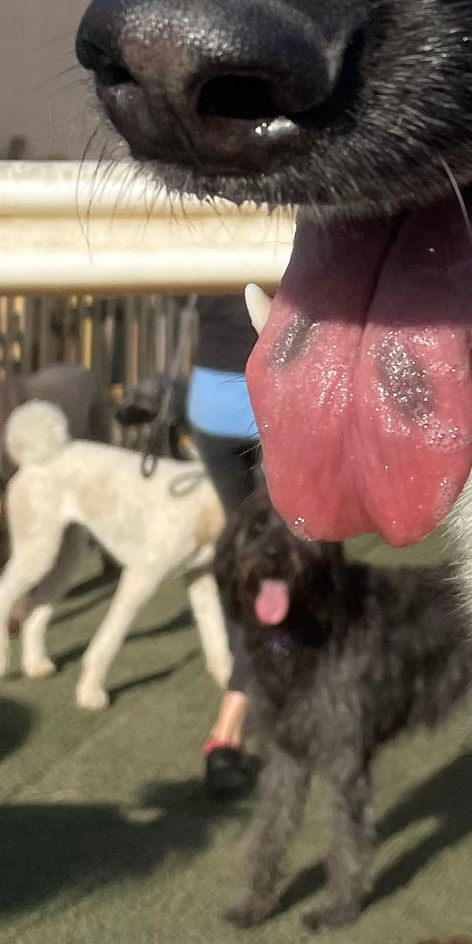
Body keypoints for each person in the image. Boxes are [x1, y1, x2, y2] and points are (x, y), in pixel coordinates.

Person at [189, 292, 261, 798]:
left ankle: (233, 722)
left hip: (209, 405)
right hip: (264, 403)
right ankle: (227, 730)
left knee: (246, 555)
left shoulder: (208, 226)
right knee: (277, 569)